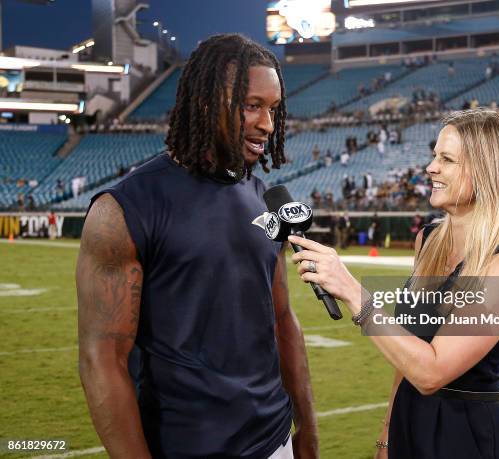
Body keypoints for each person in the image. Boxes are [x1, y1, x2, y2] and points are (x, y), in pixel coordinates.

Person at [76, 34, 318, 459]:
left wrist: (308, 431)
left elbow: (282, 320)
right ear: (205, 103)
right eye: (251, 105)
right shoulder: (125, 209)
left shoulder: (264, 198)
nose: (267, 124)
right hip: (185, 445)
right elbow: (103, 360)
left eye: (273, 109)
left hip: (275, 440)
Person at [289, 109, 499, 459]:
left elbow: (431, 371)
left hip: (465, 435)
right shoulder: (429, 239)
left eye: (446, 159)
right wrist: (389, 430)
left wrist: (351, 290)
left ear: (485, 171)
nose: (430, 168)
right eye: (434, 156)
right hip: (410, 420)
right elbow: (410, 351)